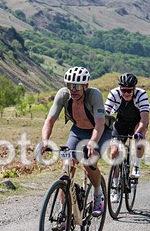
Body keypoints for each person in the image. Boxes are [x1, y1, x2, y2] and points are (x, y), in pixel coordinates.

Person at [40, 66, 111, 216]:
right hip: (78, 131)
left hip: (100, 131)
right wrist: (45, 141)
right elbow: (49, 120)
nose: (73, 90)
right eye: (70, 85)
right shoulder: (63, 95)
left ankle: (98, 194)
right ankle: (64, 212)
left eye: (77, 86)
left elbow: (100, 124)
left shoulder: (94, 95)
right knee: (67, 167)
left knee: (89, 162)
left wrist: (92, 142)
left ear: (85, 86)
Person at [104, 73, 150, 203]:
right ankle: (115, 187)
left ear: (134, 89)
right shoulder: (114, 93)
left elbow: (144, 118)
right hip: (121, 123)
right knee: (114, 153)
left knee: (139, 140)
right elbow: (105, 113)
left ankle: (136, 166)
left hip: (138, 122)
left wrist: (138, 132)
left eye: (129, 91)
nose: (126, 93)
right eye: (123, 90)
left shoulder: (141, 94)